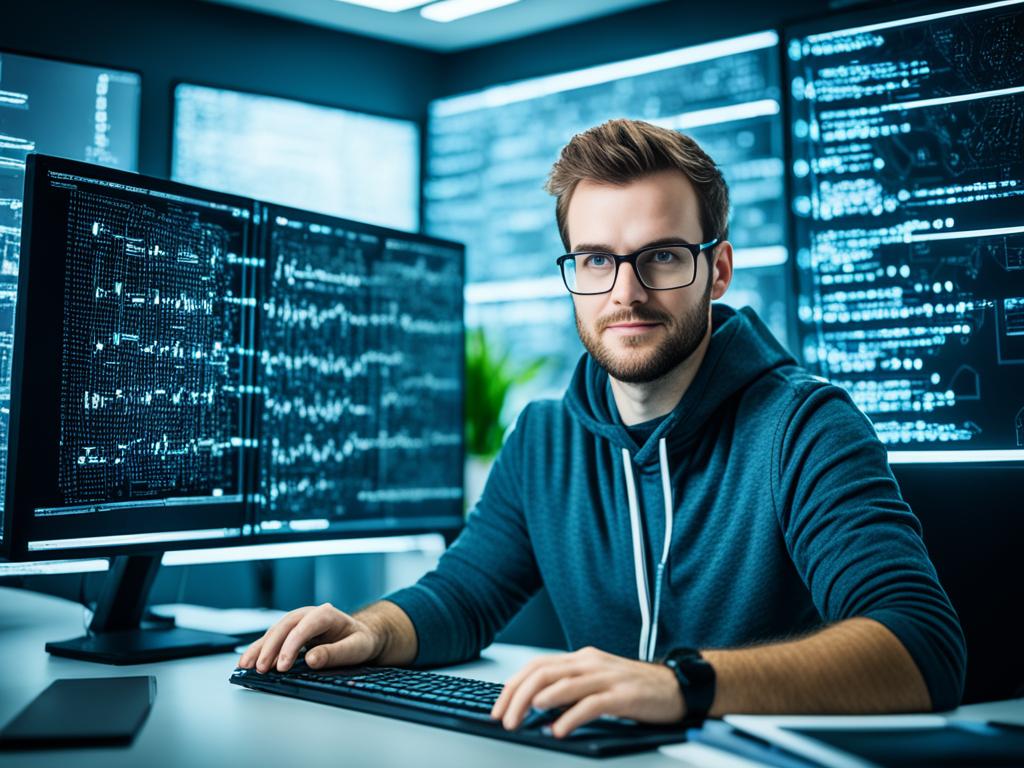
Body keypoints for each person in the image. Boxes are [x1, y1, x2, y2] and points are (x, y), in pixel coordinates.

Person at [239, 119, 966, 738]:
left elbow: (921, 646)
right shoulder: (544, 439)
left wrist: (682, 686)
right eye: (596, 260)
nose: (626, 292)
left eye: (662, 257)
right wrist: (375, 631)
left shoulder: (804, 426)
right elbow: (464, 596)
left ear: (717, 271)